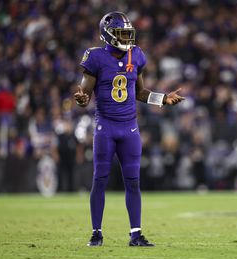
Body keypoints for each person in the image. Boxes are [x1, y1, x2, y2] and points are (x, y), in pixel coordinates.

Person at [74, 11, 185, 247]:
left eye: (127, 33)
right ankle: (96, 232)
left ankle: (136, 234)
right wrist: (82, 99)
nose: (126, 38)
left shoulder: (137, 54)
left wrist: (163, 99)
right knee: (100, 179)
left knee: (133, 182)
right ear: (107, 34)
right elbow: (85, 93)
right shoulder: (95, 57)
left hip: (130, 128)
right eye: (121, 33)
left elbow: (141, 92)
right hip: (106, 127)